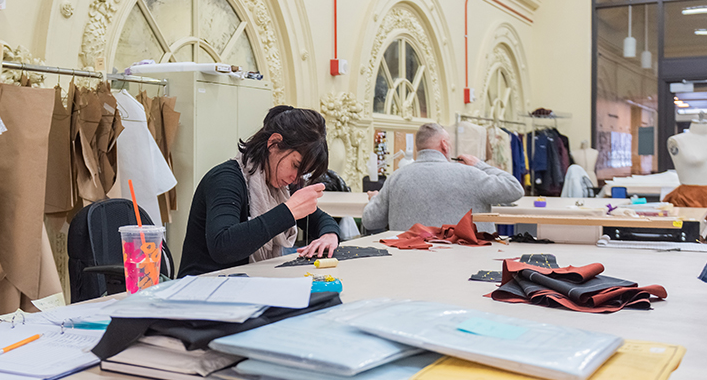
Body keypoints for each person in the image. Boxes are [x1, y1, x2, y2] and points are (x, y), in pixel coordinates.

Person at [179, 106, 341, 276]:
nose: (295, 177)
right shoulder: (226, 179)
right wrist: (288, 212)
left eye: (303, 172)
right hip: (203, 288)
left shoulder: (280, 188)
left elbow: (320, 219)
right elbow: (222, 246)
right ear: (274, 144)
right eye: (295, 165)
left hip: (245, 284)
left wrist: (329, 235)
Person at [361, 122, 523, 233]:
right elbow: (514, 189)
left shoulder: (396, 178)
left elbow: (370, 221)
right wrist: (480, 165)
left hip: (410, 266)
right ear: (445, 144)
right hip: (466, 266)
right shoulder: (470, 175)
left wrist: (375, 199)